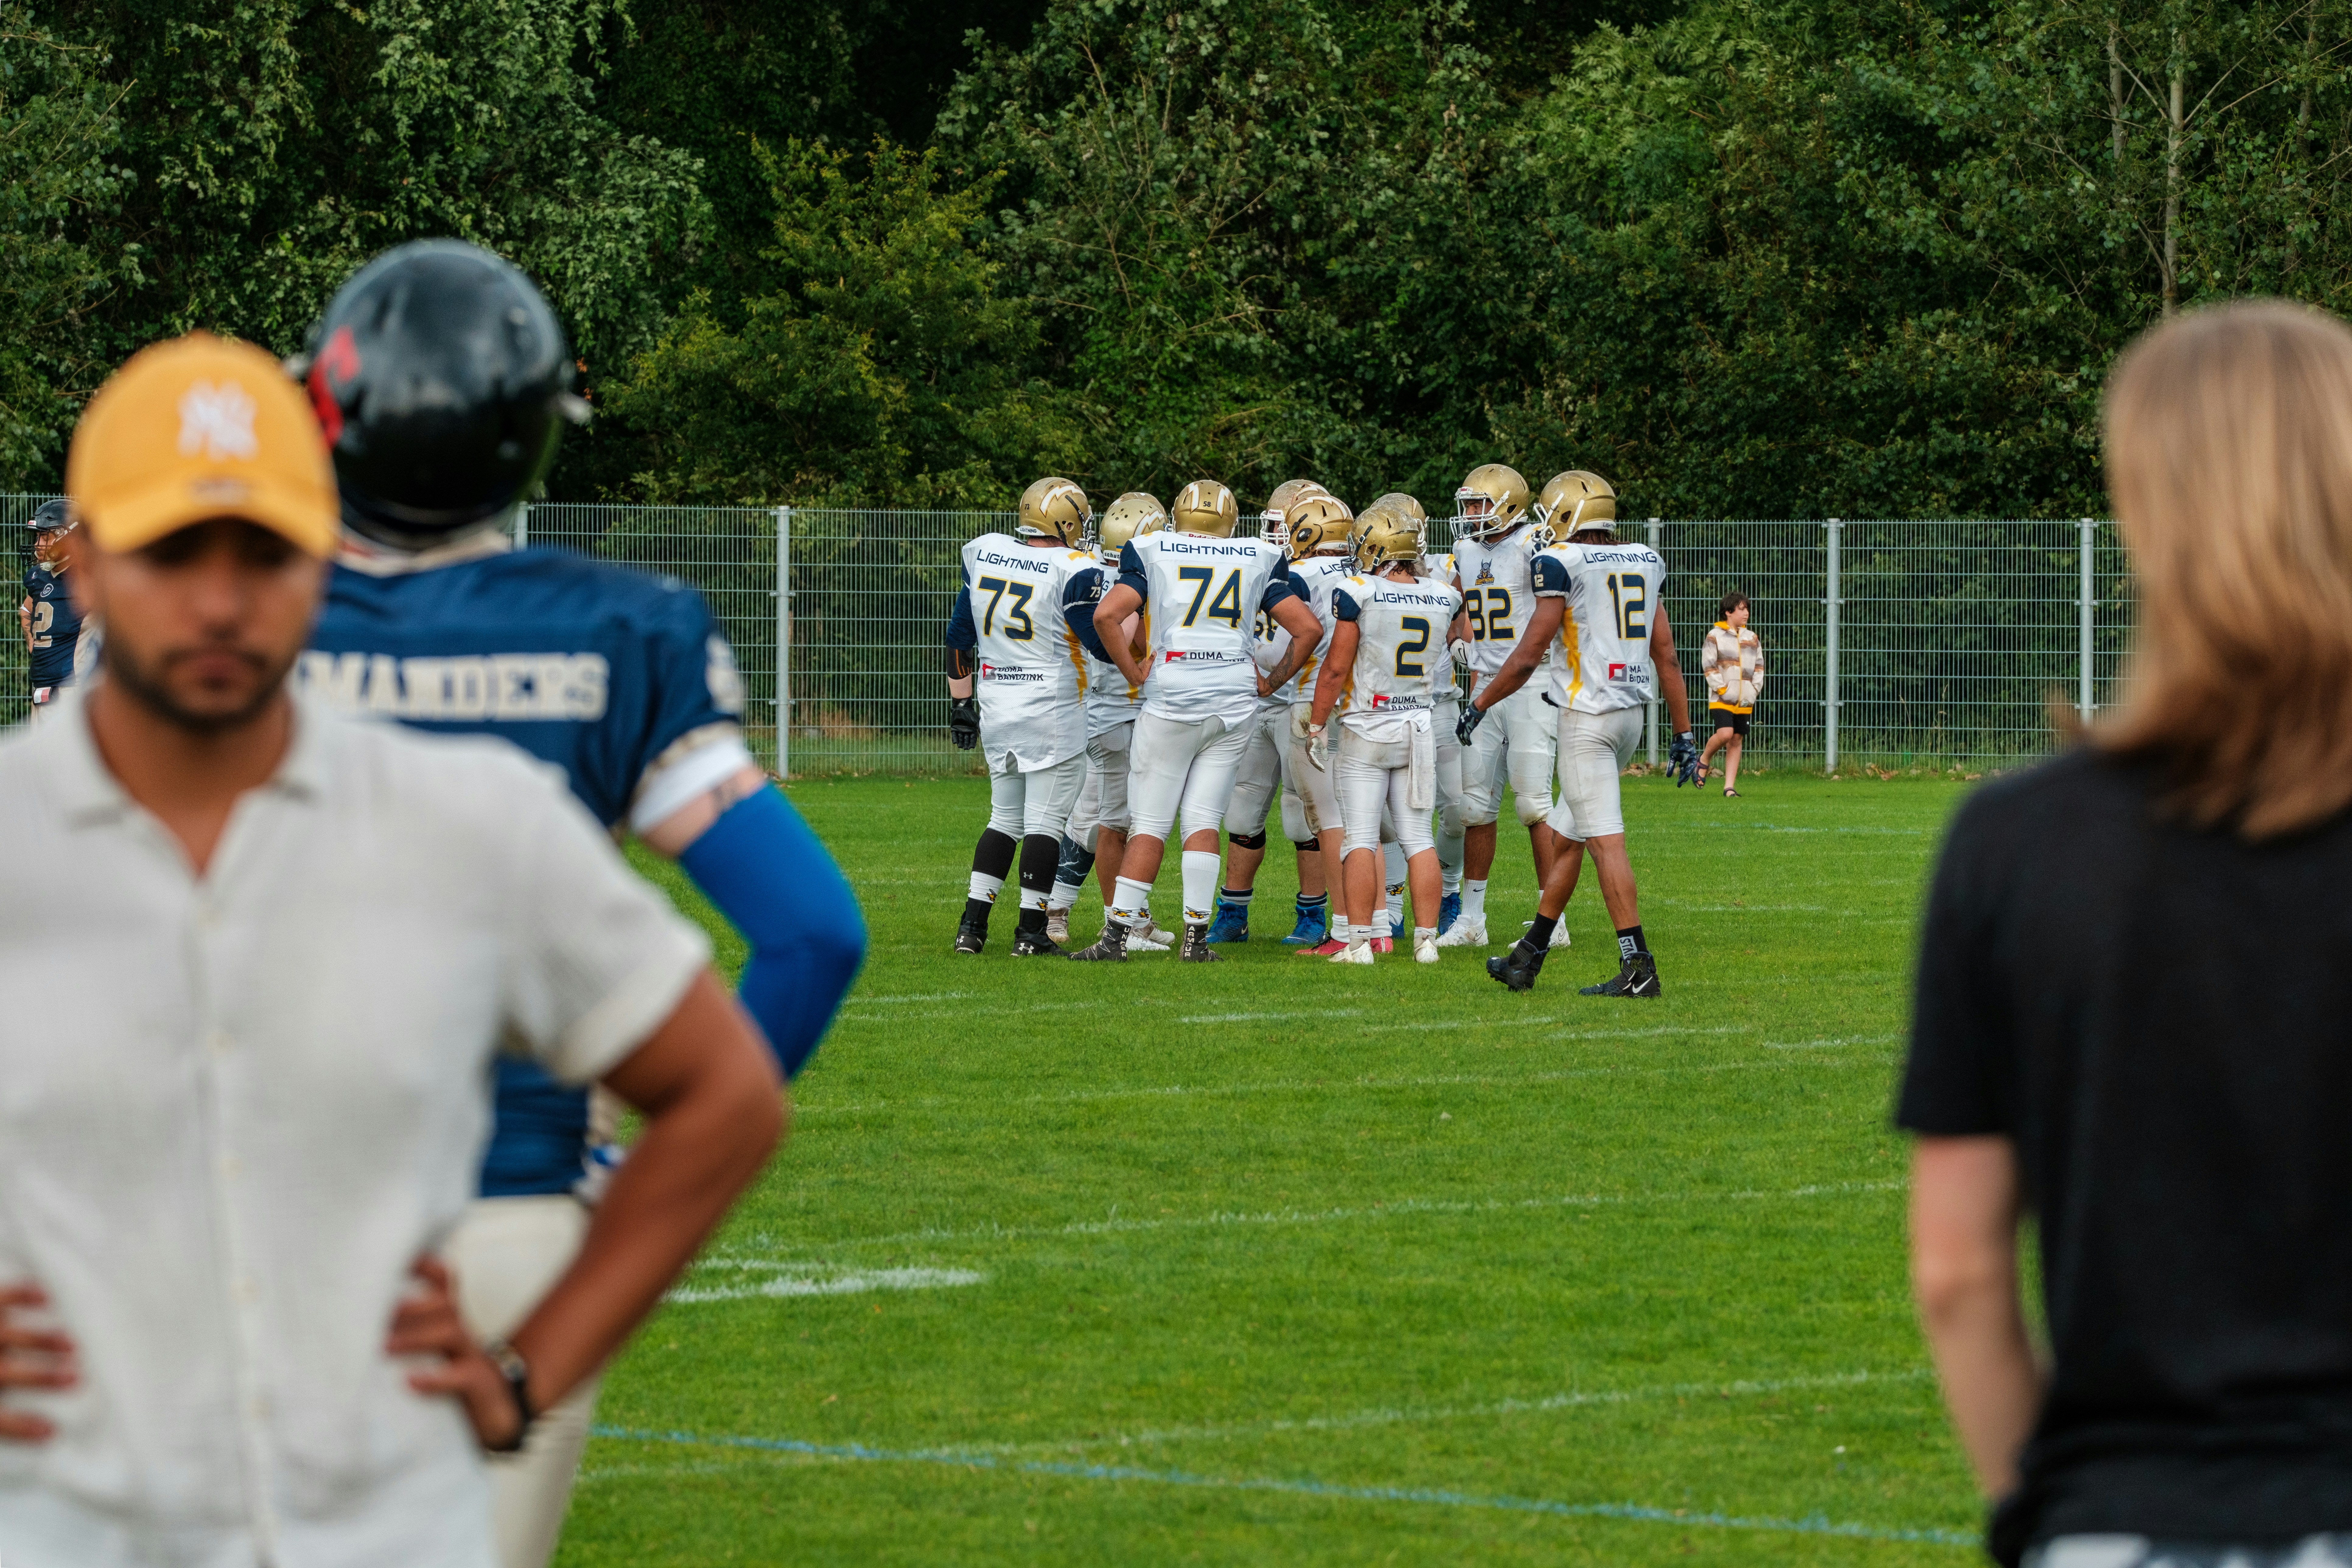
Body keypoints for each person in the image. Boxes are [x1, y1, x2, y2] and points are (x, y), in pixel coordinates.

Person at [0, 330, 782, 1568]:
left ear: (325, 562)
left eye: (261, 549)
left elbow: (724, 1093)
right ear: (83, 568)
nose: (218, 597)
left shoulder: (469, 822)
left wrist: (530, 1373)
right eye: (169, 550)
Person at [294, 239, 864, 1568]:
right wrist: (614, 1181)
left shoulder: (220, 614)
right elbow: (812, 930)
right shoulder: (616, 635)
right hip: (509, 1224)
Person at [1902, 299, 2352, 1568]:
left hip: (2129, 1518)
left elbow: (1959, 1269)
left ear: (2146, 506)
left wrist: (2040, 1515)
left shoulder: (2018, 840)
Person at [1070, 479, 1323, 962]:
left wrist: (1135, 672)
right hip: (1232, 701)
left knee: (1149, 823)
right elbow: (1308, 629)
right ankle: (1196, 940)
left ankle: (1115, 938)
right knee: (1204, 820)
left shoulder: (1152, 548)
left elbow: (1107, 617)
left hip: (1173, 696)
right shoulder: (1255, 556)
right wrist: (1270, 682)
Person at [1470, 470, 1699, 996]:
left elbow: (1529, 653)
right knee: (1566, 839)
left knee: (1603, 843)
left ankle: (1637, 967)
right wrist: (1683, 733)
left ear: (1568, 515)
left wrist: (1480, 702)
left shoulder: (1560, 561)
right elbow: (1665, 652)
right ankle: (1527, 956)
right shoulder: (1642, 558)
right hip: (1629, 722)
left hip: (1586, 721)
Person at [945, 476, 1100, 957]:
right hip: (1051, 707)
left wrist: (961, 705)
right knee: (1046, 823)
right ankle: (1032, 933)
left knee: (1004, 818)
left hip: (997, 705)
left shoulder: (987, 552)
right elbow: (1099, 638)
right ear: (1068, 522)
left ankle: (972, 928)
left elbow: (958, 638)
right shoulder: (1073, 566)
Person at [1303, 509, 1462, 965]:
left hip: (1367, 730)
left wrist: (1316, 725)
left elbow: (1335, 669)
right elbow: (1458, 629)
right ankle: (1427, 941)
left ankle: (1358, 943)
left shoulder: (1361, 591)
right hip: (1417, 728)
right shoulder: (1441, 595)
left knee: (1358, 838)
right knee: (1418, 839)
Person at [1208, 478, 1339, 945]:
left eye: (1278, 525)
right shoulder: (1262, 563)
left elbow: (1291, 643)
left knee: (1302, 815)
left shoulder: (1311, 576)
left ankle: (1312, 914)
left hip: (1297, 698)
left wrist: (1243, 655)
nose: (1271, 534)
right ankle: (1233, 910)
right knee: (1242, 812)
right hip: (1261, 700)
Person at [1045, 492, 1175, 952]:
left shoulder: (1098, 575)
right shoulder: (1112, 587)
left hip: (1121, 714)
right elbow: (1121, 645)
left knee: (1101, 817)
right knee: (1116, 825)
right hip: (1115, 715)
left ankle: (1081, 912)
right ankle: (1115, 924)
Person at [1440, 463, 1563, 949]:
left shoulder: (1536, 543)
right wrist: (1457, 641)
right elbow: (1456, 606)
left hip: (1534, 683)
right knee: (1475, 807)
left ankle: (1552, 924)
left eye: (1479, 505)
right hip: (1486, 684)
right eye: (1468, 505)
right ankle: (1472, 919)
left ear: (1508, 504)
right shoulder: (1464, 551)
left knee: (1534, 805)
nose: (1471, 514)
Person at [18, 500, 85, 713]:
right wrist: (32, 641)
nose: (38, 544)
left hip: (71, 687)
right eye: (37, 537)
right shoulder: (37, 576)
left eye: (44, 537)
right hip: (40, 685)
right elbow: (26, 611)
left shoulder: (84, 580)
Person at [1698, 590, 1763, 796]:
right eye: (1741, 610)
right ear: (1728, 612)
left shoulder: (1752, 638)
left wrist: (1754, 690)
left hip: (1745, 699)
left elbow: (1759, 667)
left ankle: (1729, 788)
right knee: (1725, 734)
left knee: (1736, 739)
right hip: (1722, 698)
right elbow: (1709, 666)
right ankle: (1704, 760)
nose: (1746, 614)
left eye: (1747, 610)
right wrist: (1722, 689)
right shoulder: (1714, 636)